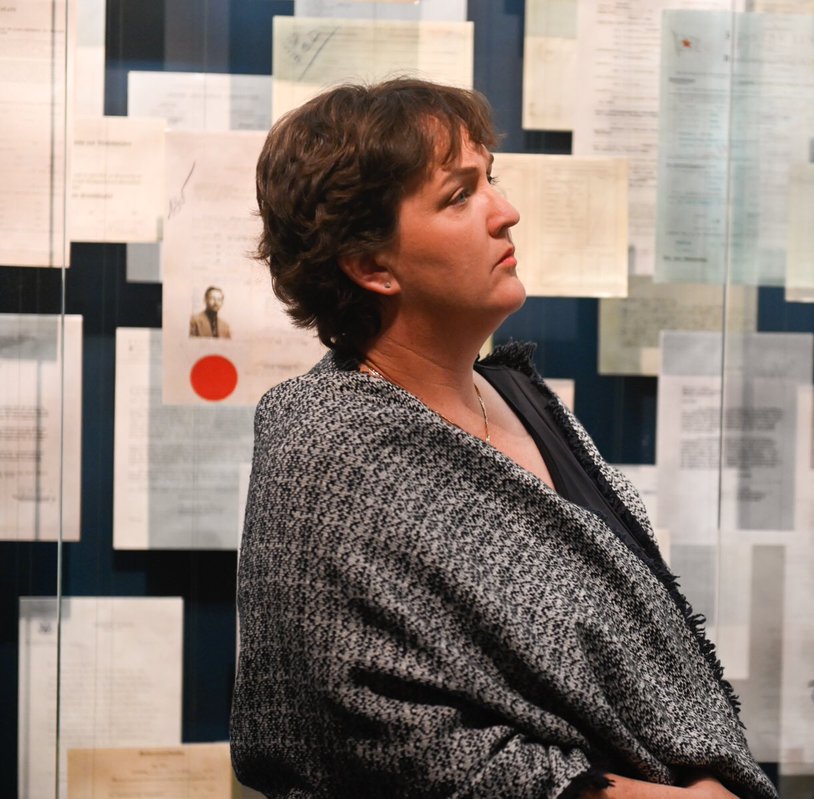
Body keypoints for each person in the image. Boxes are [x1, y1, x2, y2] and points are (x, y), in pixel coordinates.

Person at [229, 77, 776, 799]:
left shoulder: (520, 396)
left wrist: (705, 770)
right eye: (459, 195)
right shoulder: (325, 443)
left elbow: (650, 660)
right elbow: (367, 736)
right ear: (370, 266)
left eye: (491, 179)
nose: (506, 211)